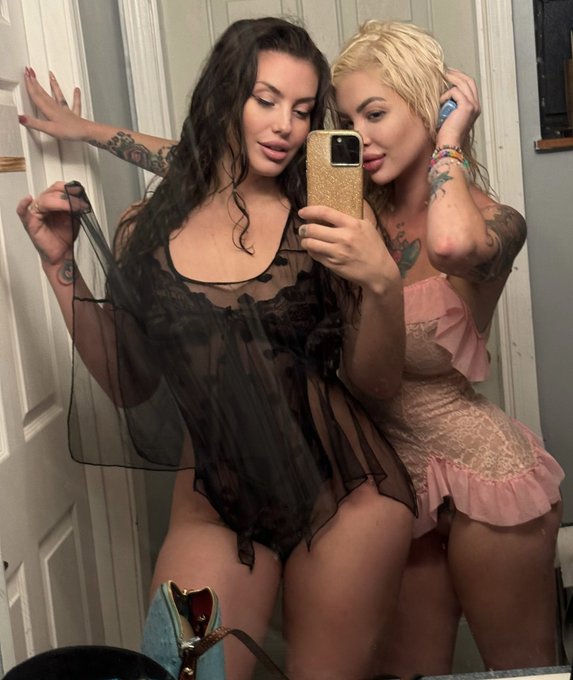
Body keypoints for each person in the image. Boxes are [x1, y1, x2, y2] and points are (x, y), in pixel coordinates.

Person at [17, 17, 416, 680]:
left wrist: (382, 284)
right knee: (178, 674)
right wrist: (62, 267)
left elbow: (377, 385)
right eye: (266, 100)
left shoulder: (330, 217)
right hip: (214, 505)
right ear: (225, 95)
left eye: (302, 110)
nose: (285, 126)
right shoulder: (145, 228)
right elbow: (128, 384)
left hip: (348, 493)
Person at [328, 19, 565, 677]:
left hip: (484, 476)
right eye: (346, 120)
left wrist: (450, 137)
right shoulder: (349, 211)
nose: (359, 135)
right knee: (408, 673)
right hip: (391, 482)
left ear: (427, 105)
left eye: (375, 112)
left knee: (519, 671)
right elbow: (228, 163)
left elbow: (452, 246)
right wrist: (86, 132)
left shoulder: (493, 221)